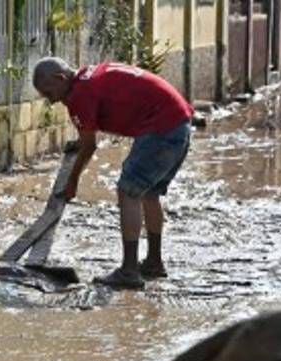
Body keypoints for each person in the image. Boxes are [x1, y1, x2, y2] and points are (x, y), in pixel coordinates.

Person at [31, 58, 193, 289]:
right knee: (149, 194)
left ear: (61, 78)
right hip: (179, 123)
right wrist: (80, 142)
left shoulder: (79, 95)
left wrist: (72, 180)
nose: (51, 100)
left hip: (161, 128)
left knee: (128, 192)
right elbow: (88, 133)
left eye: (49, 92)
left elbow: (89, 146)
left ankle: (129, 271)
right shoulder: (87, 77)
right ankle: (154, 263)